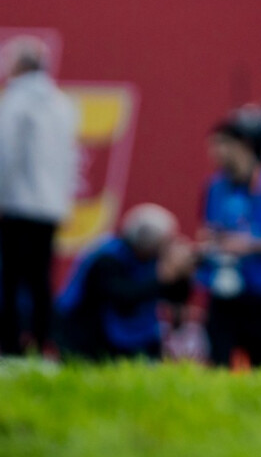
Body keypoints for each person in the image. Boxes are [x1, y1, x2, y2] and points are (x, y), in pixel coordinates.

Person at [197, 120, 261, 368]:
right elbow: (208, 232)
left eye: (222, 144)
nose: (215, 152)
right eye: (212, 146)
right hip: (225, 291)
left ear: (243, 146)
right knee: (219, 367)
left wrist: (250, 245)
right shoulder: (214, 186)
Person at [0, 37, 78, 356]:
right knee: (40, 277)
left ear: (19, 66)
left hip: (17, 203)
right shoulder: (61, 103)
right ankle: (42, 340)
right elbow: (70, 159)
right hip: (50, 206)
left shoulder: (16, 100)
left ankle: (9, 345)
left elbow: (7, 154)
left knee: (9, 278)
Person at [55, 204, 195, 361]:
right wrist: (162, 277)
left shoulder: (151, 259)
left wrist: (182, 275)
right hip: (85, 330)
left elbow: (175, 297)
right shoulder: (107, 257)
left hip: (131, 336)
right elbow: (124, 299)